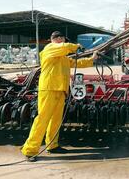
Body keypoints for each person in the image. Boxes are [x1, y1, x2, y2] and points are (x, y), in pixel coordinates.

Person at [21, 31, 98, 161]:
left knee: (55, 120)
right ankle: (30, 150)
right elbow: (63, 47)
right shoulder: (49, 49)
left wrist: (92, 59)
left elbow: (78, 63)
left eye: (63, 38)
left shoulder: (64, 58)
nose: (62, 40)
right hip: (49, 89)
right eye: (59, 38)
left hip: (60, 90)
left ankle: (52, 145)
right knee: (42, 119)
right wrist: (76, 46)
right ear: (53, 39)